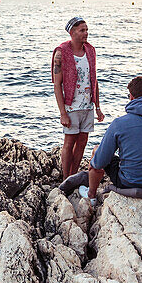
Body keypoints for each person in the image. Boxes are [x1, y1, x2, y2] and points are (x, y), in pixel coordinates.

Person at [52, 17, 105, 177]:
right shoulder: (61, 52)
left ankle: (73, 176)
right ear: (72, 32)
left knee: (82, 142)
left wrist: (98, 107)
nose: (86, 33)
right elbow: (56, 84)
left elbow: (94, 79)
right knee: (69, 142)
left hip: (87, 105)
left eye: (86, 30)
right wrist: (63, 113)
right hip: (71, 106)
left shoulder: (90, 50)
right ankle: (65, 178)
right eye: (82, 30)